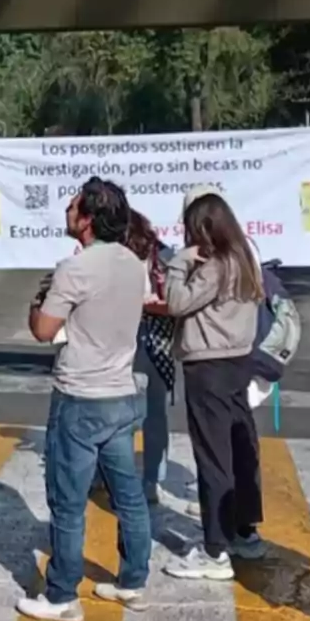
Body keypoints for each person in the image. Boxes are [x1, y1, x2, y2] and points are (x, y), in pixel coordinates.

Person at [17, 177, 152, 621]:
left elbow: (42, 329)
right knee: (128, 496)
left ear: (89, 219)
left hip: (80, 396)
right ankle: (132, 581)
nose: (67, 212)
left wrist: (38, 300)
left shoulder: (74, 268)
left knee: (68, 503)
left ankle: (61, 597)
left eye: (74, 206)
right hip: (121, 393)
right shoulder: (135, 263)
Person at [163, 191, 266, 581]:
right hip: (239, 361)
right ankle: (244, 531)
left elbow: (176, 302)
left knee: (213, 457)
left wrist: (178, 263)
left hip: (208, 366)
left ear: (204, 228)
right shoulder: (245, 259)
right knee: (241, 450)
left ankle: (213, 549)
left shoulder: (214, 266)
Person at [126, 210, 180, 506]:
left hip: (147, 338)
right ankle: (147, 479)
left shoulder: (161, 256)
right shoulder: (162, 254)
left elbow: (176, 301)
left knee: (144, 412)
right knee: (144, 413)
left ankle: (149, 480)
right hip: (143, 339)